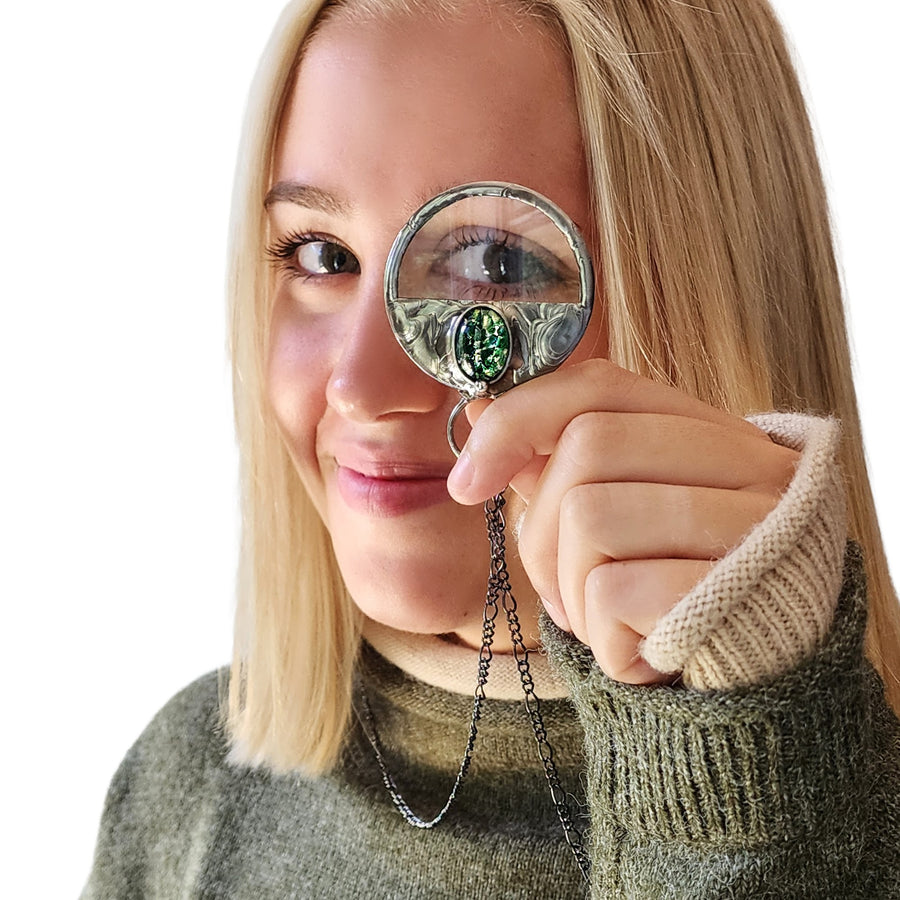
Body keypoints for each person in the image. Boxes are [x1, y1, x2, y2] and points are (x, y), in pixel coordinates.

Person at [82, 0, 900, 896]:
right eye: (321, 255)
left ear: (704, 283)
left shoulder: (859, 818)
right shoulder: (190, 789)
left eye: (497, 266)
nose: (361, 384)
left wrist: (742, 746)